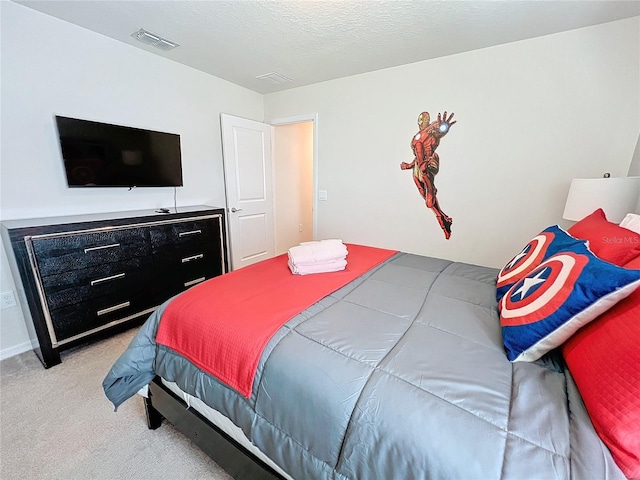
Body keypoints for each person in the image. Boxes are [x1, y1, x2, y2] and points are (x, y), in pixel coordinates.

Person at [401, 111, 456, 239]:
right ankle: (444, 218)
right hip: (419, 168)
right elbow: (418, 157)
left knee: (429, 202)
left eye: (425, 119)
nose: (423, 122)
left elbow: (438, 130)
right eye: (421, 120)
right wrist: (409, 166)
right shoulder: (417, 139)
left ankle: (443, 221)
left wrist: (444, 128)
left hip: (429, 163)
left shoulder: (431, 131)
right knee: (425, 197)